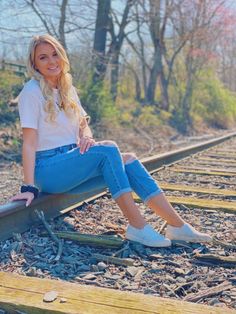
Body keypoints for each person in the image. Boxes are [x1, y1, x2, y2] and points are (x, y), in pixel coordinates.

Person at [10, 34, 212, 248]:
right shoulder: (31, 92)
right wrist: (29, 186)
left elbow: (82, 123)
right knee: (108, 149)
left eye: (55, 54)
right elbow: (29, 143)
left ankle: (177, 226)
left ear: (62, 57)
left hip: (71, 161)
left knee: (130, 160)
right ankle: (137, 226)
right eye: (43, 57)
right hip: (49, 169)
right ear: (34, 63)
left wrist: (86, 135)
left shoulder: (67, 89)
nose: (51, 61)